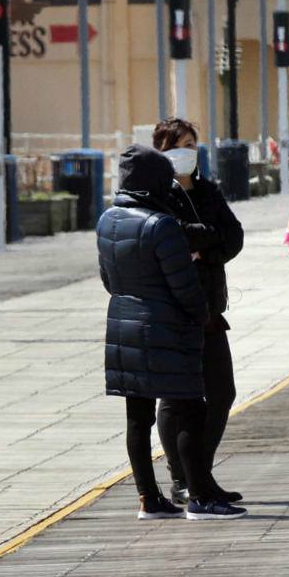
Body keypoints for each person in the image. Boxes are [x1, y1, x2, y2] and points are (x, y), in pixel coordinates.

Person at [97, 144, 247, 521]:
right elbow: (183, 286)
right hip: (165, 327)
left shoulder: (108, 220)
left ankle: (149, 499)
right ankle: (199, 497)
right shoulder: (160, 225)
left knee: (138, 417)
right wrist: (202, 315)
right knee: (190, 409)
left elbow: (107, 278)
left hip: (123, 325)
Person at [151, 119, 245, 506]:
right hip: (175, 309)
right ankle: (183, 478)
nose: (185, 152)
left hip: (210, 309)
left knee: (222, 392)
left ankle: (199, 474)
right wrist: (207, 236)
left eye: (191, 145)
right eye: (177, 145)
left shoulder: (208, 190)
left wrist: (204, 247)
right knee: (176, 399)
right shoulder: (157, 193)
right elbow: (173, 236)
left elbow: (233, 237)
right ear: (160, 151)